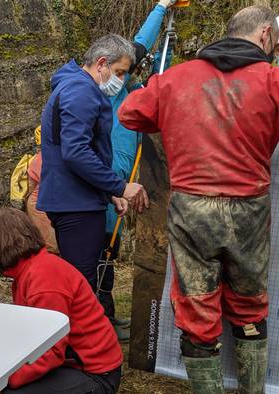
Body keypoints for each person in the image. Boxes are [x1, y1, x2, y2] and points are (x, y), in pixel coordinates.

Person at [118, 6, 279, 393]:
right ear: (263, 37)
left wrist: (174, 115)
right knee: (249, 304)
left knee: (196, 306)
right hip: (250, 212)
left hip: (192, 210)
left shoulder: (175, 79)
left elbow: (129, 113)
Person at [37, 34, 149, 324]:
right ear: (102, 63)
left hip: (78, 198)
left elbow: (76, 152)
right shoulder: (82, 92)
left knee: (82, 279)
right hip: (76, 205)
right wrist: (120, 186)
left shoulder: (74, 86)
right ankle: (81, 353)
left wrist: (108, 193)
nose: (121, 80)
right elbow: (76, 153)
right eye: (120, 72)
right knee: (83, 285)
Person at [0, 207, 122, 394]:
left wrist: (6, 379)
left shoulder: (44, 278)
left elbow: (51, 351)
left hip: (96, 373)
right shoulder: (28, 272)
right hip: (72, 363)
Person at [103, 0, 177, 341]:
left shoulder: (132, 94)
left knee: (109, 254)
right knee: (100, 254)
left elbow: (154, 72)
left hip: (122, 190)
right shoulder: (106, 95)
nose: (125, 76)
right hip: (105, 190)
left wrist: (166, 27)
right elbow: (138, 45)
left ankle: (106, 316)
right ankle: (100, 320)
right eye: (121, 71)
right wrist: (161, 8)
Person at [25, 126, 58, 254]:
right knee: (50, 244)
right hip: (41, 204)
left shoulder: (38, 158)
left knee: (47, 241)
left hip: (39, 203)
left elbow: (30, 185)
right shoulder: (48, 156)